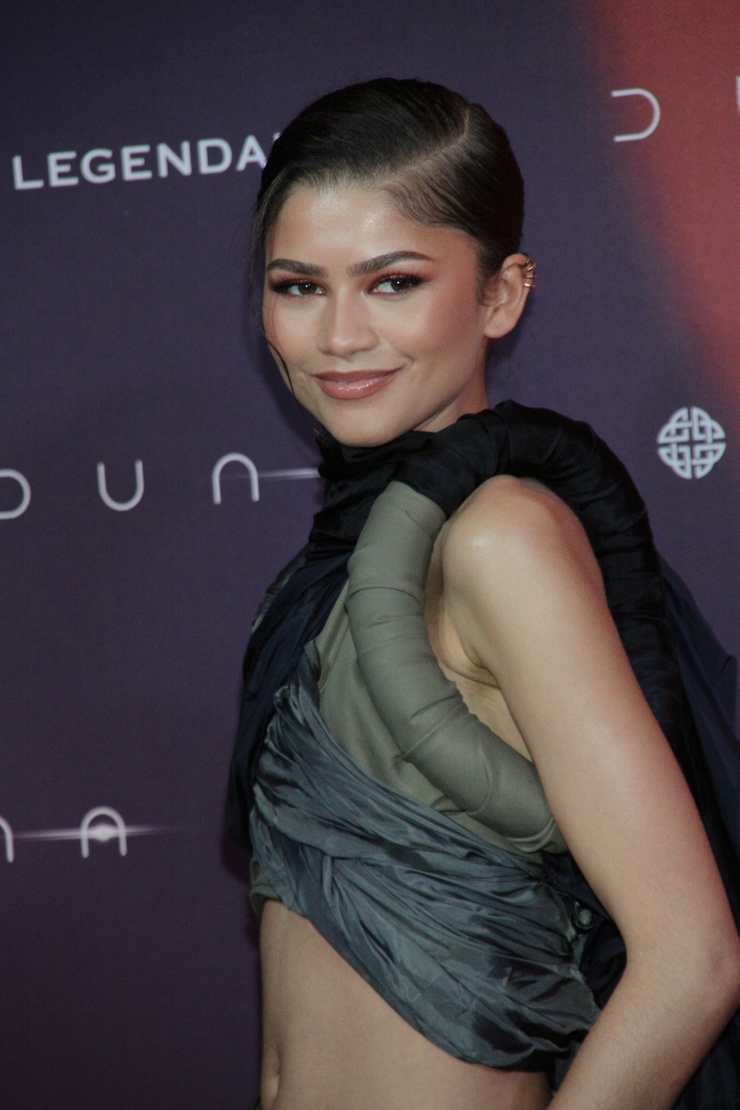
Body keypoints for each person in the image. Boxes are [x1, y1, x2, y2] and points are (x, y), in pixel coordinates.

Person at [226, 79, 740, 1109]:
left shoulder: (499, 538)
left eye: (392, 282)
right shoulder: (330, 565)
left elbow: (691, 961)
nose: (338, 335)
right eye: (298, 286)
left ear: (501, 295)